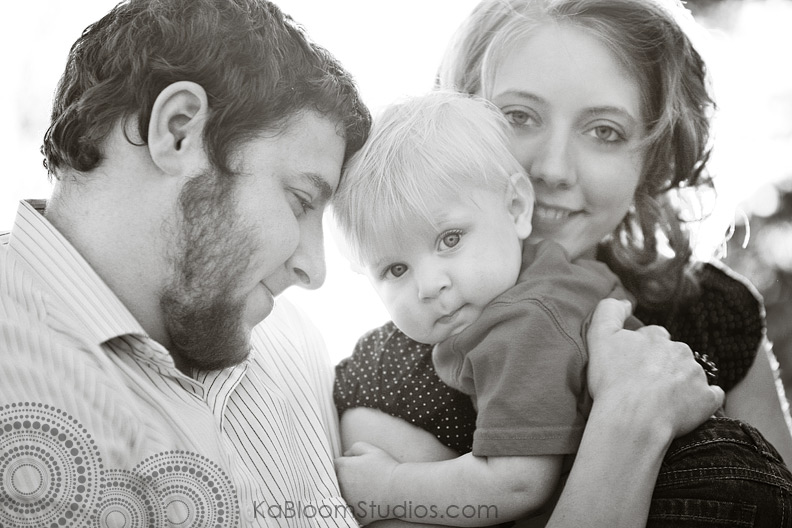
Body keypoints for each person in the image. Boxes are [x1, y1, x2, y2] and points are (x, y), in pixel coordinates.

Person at [0, 0, 724, 527]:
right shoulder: (25, 389)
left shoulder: (287, 342)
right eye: (299, 198)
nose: (315, 273)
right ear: (179, 130)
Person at [333, 0, 792, 525]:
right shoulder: (393, 378)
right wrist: (625, 425)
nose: (553, 169)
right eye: (517, 117)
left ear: (652, 158)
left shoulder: (713, 308)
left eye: (605, 131)